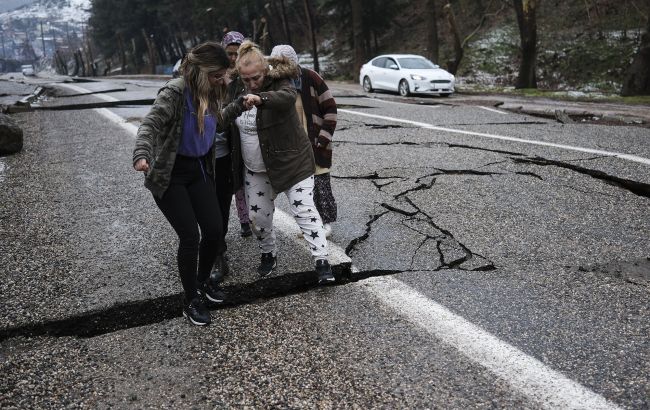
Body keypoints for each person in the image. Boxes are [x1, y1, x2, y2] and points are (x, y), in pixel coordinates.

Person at [133, 42, 244, 326]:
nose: (223, 80)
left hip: (197, 170)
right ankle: (190, 299)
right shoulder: (175, 92)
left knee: (214, 229)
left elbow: (216, 123)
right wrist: (142, 153)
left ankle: (203, 282)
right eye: (217, 75)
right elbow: (150, 124)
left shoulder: (211, 90)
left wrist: (240, 105)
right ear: (200, 70)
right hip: (170, 173)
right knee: (190, 237)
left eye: (223, 75)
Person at [219, 40, 336, 285]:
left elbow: (286, 97)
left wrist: (261, 98)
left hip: (292, 162)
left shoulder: (280, 81)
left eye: (257, 78)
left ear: (265, 70)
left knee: (304, 209)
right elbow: (222, 119)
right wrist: (237, 105)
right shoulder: (236, 89)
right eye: (247, 79)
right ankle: (268, 254)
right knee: (258, 218)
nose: (252, 83)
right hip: (257, 168)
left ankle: (322, 261)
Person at [269, 45, 338, 238]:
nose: (278, 67)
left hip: (316, 145)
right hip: (293, 149)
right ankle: (308, 223)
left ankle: (324, 224)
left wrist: (323, 139)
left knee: (321, 187)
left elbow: (331, 108)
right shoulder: (274, 83)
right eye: (275, 63)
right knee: (301, 189)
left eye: (282, 62)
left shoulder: (311, 78)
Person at [221, 31, 253, 238]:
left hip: (246, 133)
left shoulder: (249, 72)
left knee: (248, 178)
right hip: (226, 135)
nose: (233, 58)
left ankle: (250, 218)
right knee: (234, 180)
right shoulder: (217, 74)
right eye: (229, 53)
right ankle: (243, 220)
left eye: (237, 54)